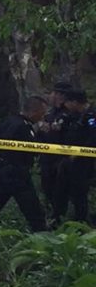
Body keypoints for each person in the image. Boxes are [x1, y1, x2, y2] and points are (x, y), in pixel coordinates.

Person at [0, 95, 50, 232]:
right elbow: (34, 150)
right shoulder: (23, 127)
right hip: (17, 172)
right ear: (34, 111)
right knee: (31, 205)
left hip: (5, 169)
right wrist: (42, 135)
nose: (43, 117)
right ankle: (42, 233)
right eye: (42, 113)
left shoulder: (10, 121)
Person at [54, 89, 96, 224]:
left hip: (84, 161)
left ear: (75, 102)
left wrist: (78, 153)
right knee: (62, 189)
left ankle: (82, 220)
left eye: (68, 102)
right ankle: (59, 217)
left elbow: (92, 138)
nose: (65, 105)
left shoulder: (91, 116)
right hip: (68, 159)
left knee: (80, 192)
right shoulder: (73, 116)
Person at [38, 81, 71, 225]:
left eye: (58, 93)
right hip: (47, 158)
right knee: (47, 188)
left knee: (61, 191)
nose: (54, 96)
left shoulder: (70, 114)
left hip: (62, 159)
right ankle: (52, 215)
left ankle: (59, 219)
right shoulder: (50, 113)